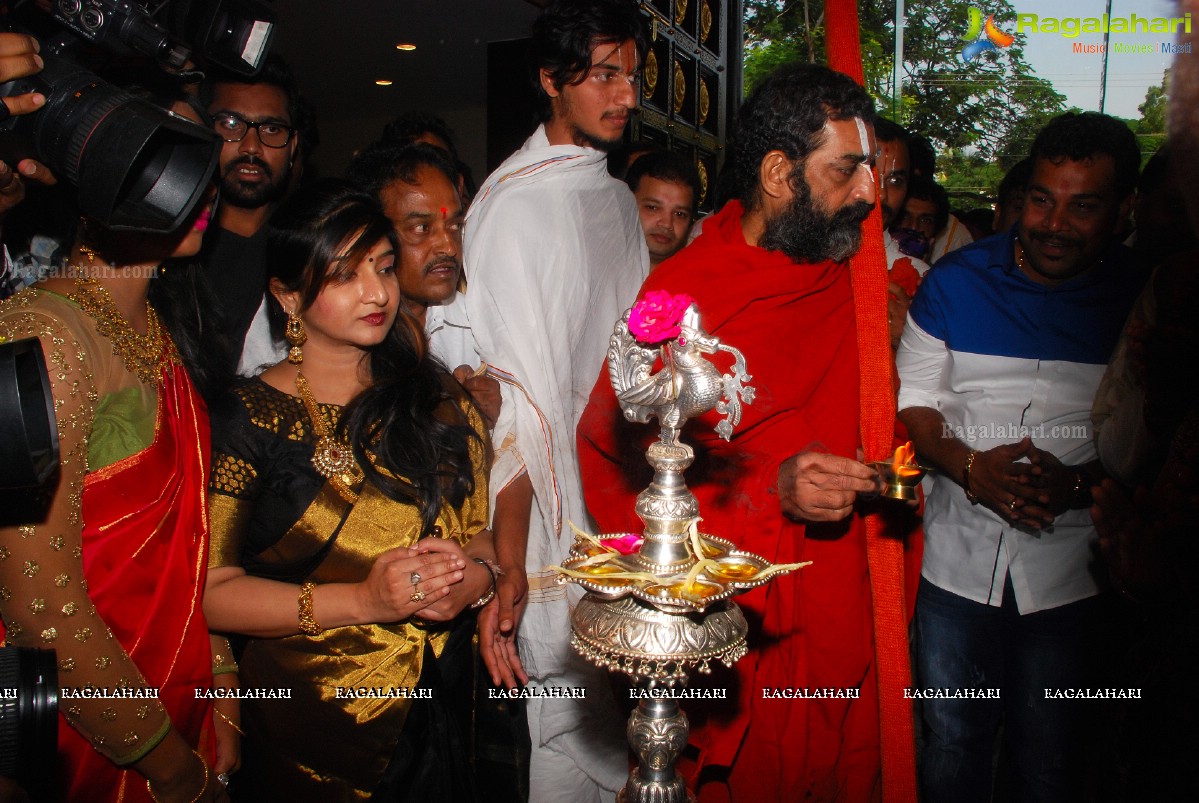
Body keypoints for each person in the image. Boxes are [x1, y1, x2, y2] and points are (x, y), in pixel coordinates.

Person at [579, 62, 911, 802]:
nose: (870, 194)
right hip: (737, 618)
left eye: (873, 171)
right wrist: (769, 491)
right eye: (847, 170)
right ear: (776, 172)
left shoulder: (858, 286)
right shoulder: (684, 293)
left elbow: (889, 442)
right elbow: (614, 454)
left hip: (838, 605)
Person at [202, 181, 497, 800]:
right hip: (312, 720)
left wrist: (479, 579)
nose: (378, 293)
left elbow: (479, 534)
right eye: (344, 275)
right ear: (286, 294)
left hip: (445, 698)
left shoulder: (434, 396)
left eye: (385, 269)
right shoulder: (247, 417)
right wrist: (363, 602)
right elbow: (212, 595)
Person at [896, 111, 1146, 803]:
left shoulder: (1143, 298)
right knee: (950, 740)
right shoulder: (953, 282)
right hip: (953, 562)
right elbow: (913, 401)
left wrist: (1085, 483)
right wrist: (970, 466)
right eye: (1041, 198)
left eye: (1082, 206)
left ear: (1123, 209)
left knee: (1054, 754)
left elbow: (1162, 434)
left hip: (1075, 572)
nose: (1053, 223)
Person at [0, 92, 231, 801]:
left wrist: (219, 681)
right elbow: (39, 604)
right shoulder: (39, 334)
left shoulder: (160, 329)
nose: (192, 183)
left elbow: (192, 548)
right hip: (86, 739)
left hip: (178, 698)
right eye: (155, 154)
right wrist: (169, 765)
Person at [460, 1, 650, 800]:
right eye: (603, 74)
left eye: (632, 76)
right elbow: (510, 392)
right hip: (540, 502)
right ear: (549, 80)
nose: (625, 95)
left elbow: (636, 352)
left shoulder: (611, 197)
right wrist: (511, 551)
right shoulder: (512, 206)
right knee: (567, 720)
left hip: (620, 484)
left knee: (629, 709)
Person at [199, 56, 308, 376]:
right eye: (230, 125)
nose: (251, 147)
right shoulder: (169, 250)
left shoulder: (306, 250)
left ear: (293, 147)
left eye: (272, 129)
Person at [873, 117, 930, 350]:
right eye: (871, 176)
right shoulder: (799, 264)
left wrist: (906, 340)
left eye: (895, 181)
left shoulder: (920, 281)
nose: (882, 194)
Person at [624, 150, 699, 268]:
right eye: (652, 208)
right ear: (626, 203)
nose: (666, 224)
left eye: (679, 214)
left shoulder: (701, 276)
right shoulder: (592, 259)